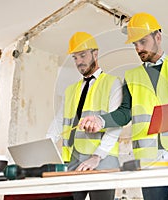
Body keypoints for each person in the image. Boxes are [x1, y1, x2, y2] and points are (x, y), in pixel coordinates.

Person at [80, 12, 168, 200]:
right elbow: (124, 113)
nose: (139, 48)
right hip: (149, 160)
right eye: (135, 44)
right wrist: (100, 120)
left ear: (158, 37)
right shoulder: (131, 76)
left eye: (143, 42)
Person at [47, 31, 123, 200]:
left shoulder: (113, 83)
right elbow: (60, 121)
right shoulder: (70, 90)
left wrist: (97, 156)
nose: (79, 62)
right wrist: (46, 145)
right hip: (74, 160)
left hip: (103, 159)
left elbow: (116, 124)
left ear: (95, 53)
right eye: (75, 58)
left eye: (82, 55)